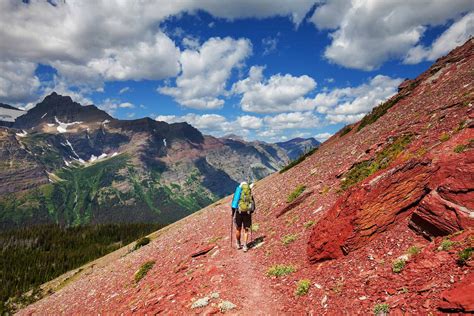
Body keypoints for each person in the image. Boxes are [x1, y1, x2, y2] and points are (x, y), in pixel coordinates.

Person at [231, 181, 255, 252]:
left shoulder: (238, 193)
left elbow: (234, 204)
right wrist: (250, 212)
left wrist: (233, 214)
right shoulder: (249, 194)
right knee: (246, 230)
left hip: (239, 212)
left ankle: (238, 243)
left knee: (238, 229)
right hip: (247, 213)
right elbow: (253, 206)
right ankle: (245, 245)